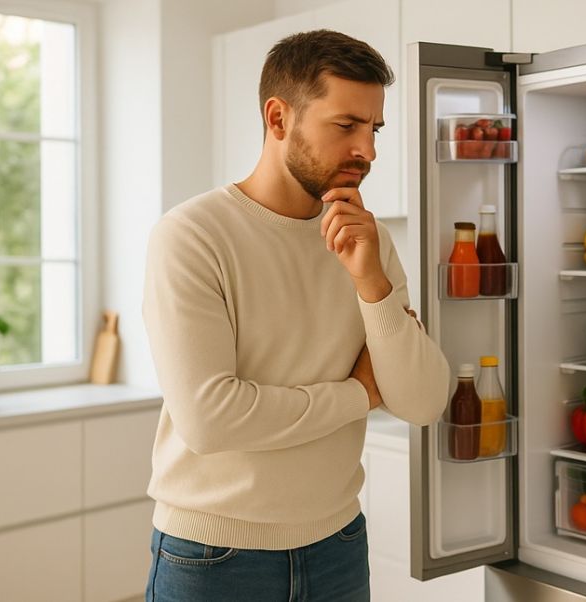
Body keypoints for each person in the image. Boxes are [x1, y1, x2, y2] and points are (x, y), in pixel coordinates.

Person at [142, 29, 450, 601]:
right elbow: (210, 420)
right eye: (346, 126)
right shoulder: (192, 236)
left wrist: (372, 283)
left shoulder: (369, 241)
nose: (368, 151)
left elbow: (423, 400)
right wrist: (357, 395)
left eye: (373, 129)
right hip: (213, 557)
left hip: (337, 543)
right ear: (279, 118)